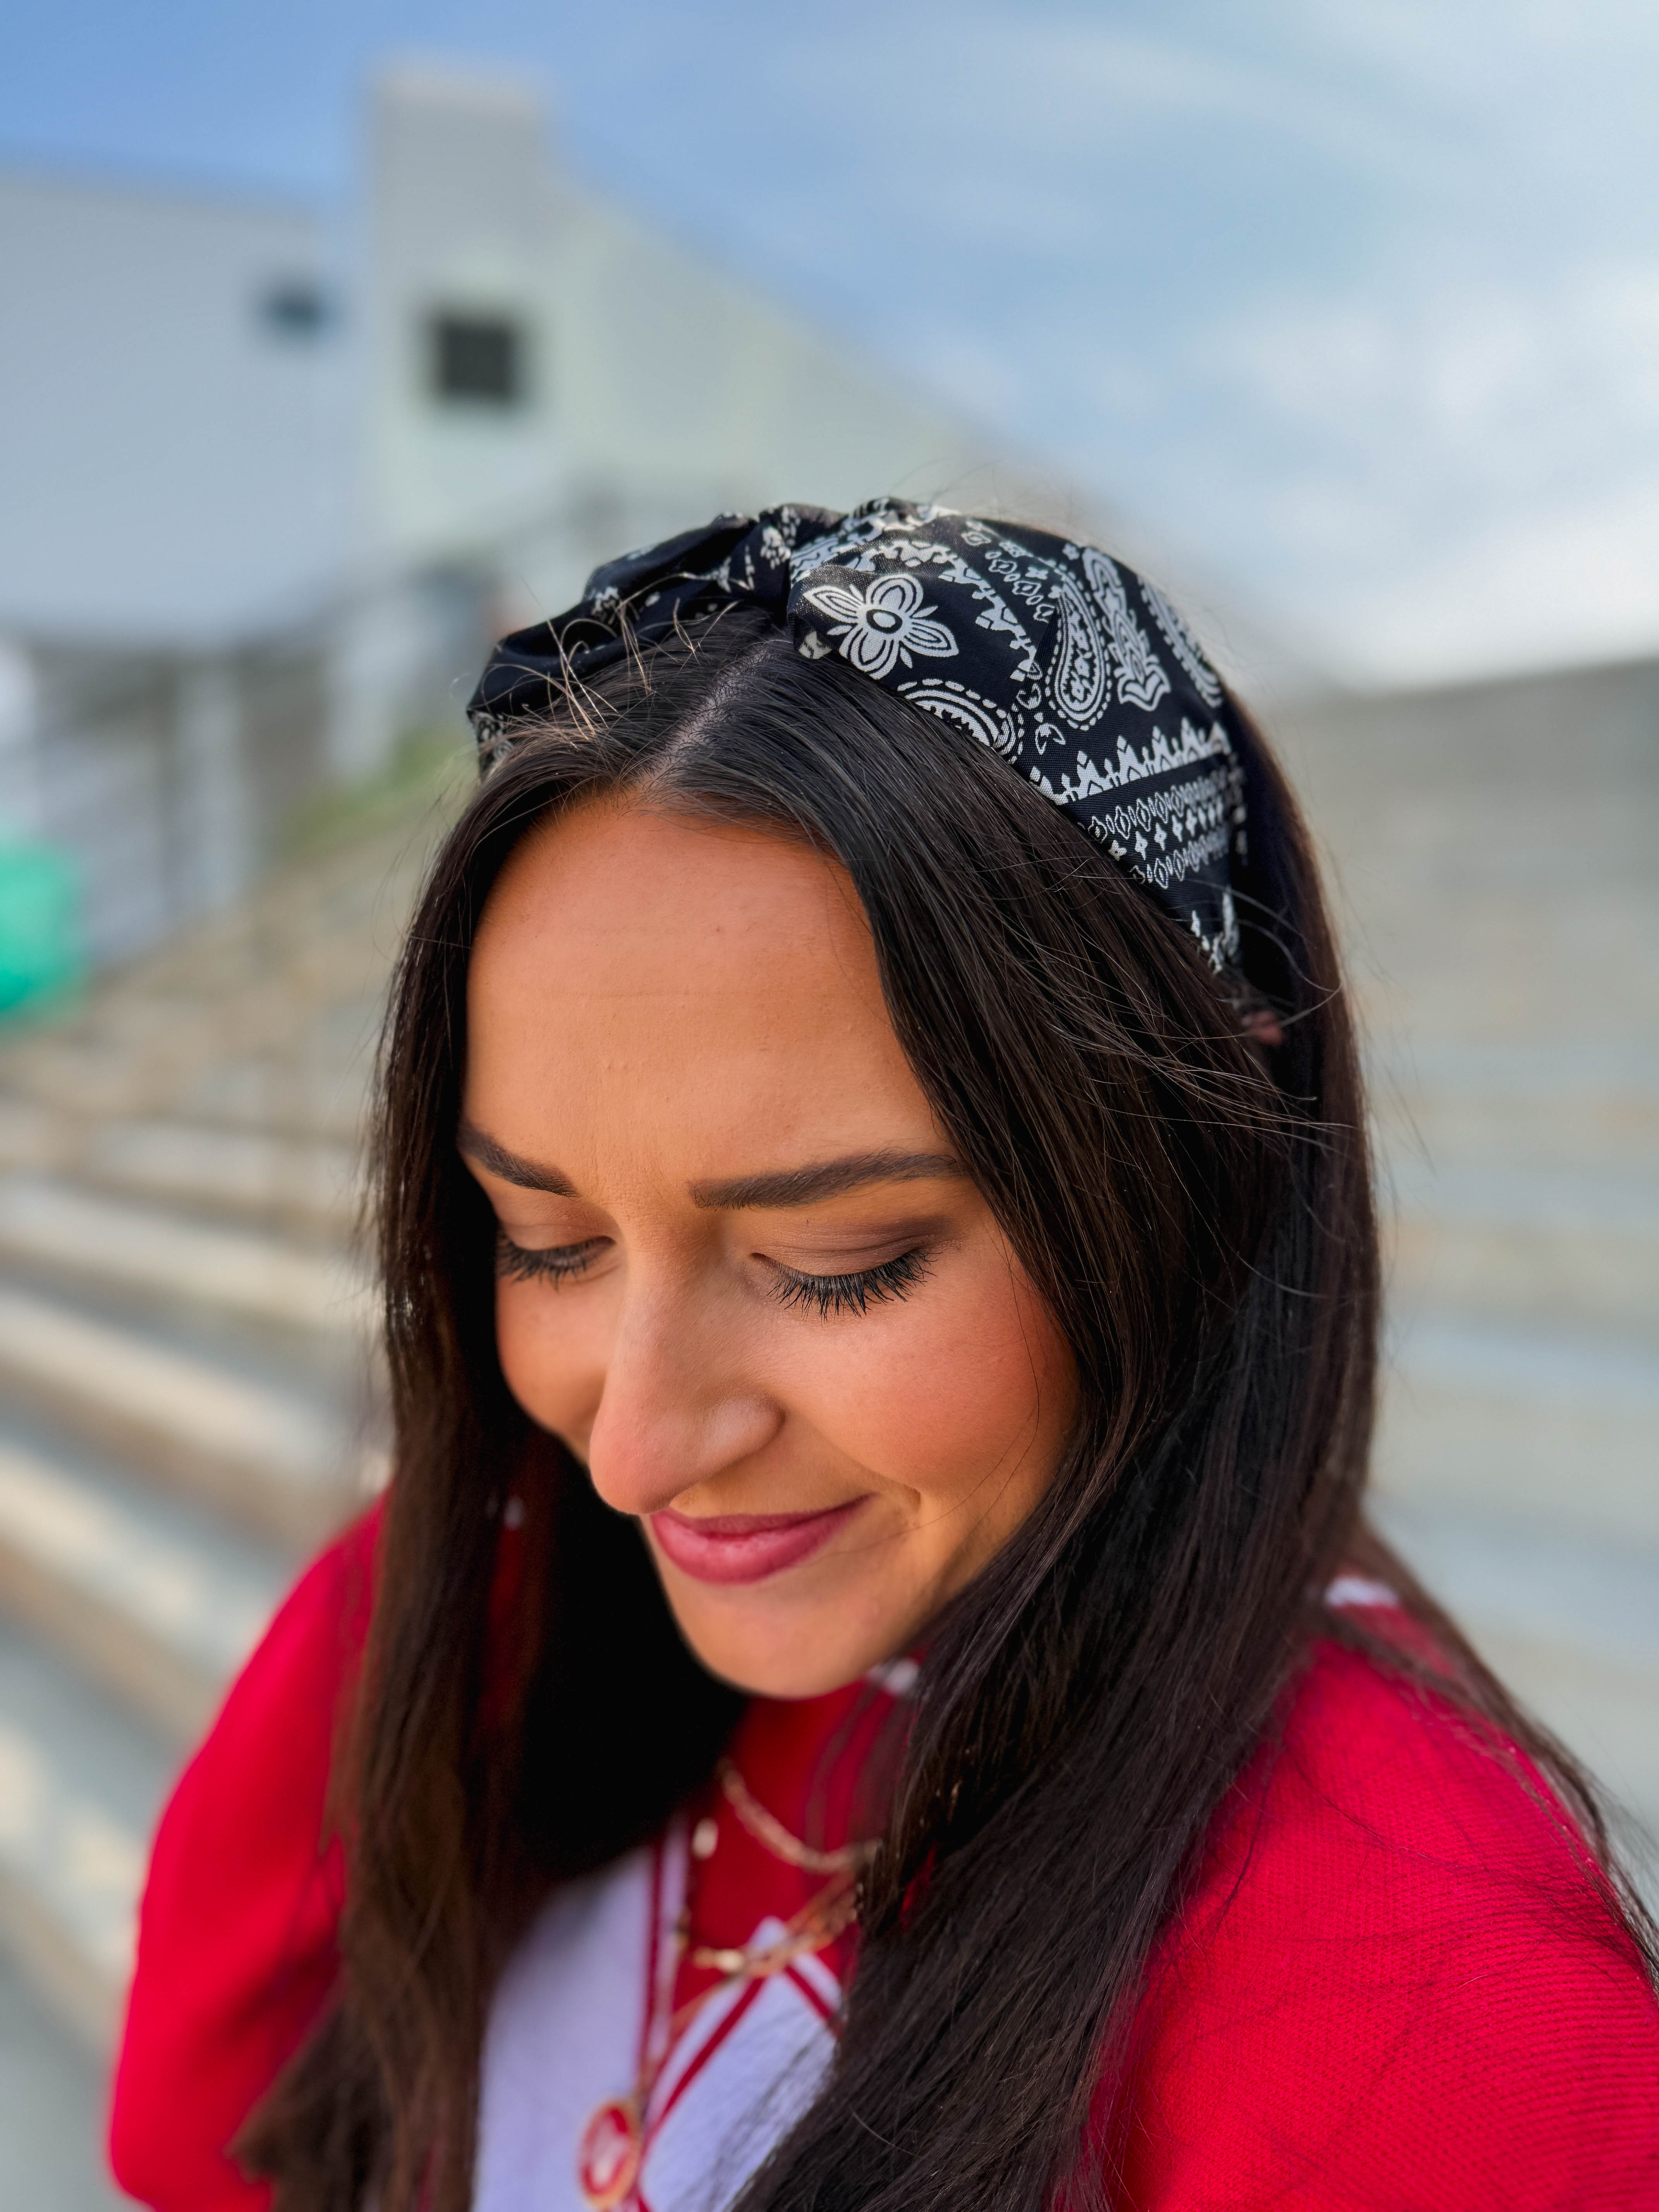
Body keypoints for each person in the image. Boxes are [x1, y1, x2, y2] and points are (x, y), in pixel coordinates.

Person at [109, 501, 1659, 2212]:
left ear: (1201, 1162)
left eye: (836, 1263)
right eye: (547, 1238)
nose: (633, 1451)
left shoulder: (1436, 2032)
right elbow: (216, 2140)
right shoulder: (521, 1597)